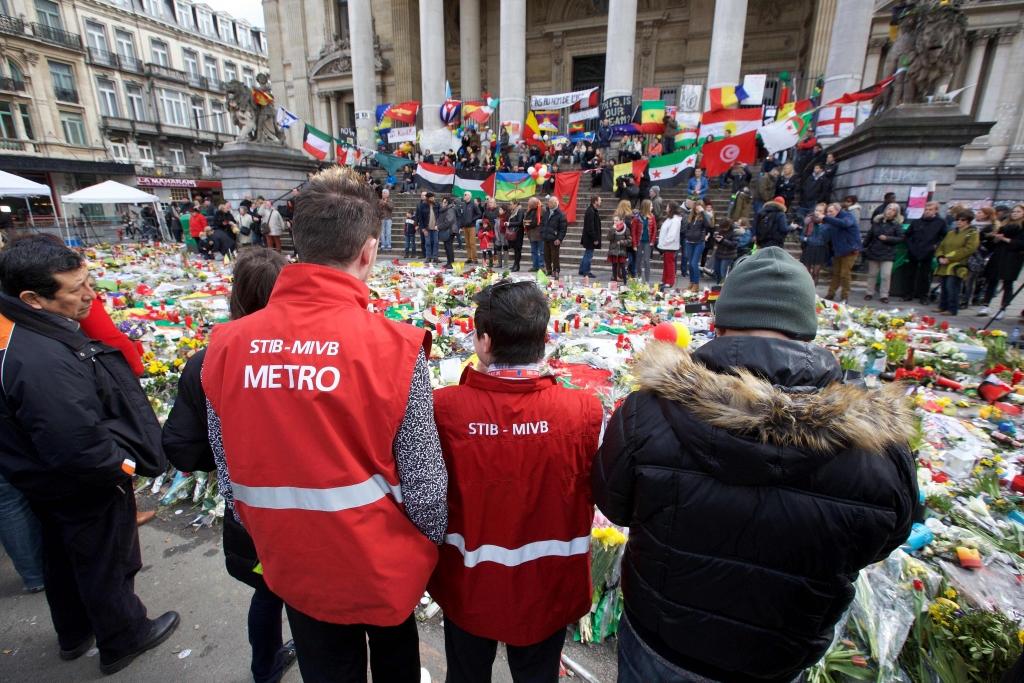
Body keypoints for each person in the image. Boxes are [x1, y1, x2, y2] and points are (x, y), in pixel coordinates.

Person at [592, 246, 917, 683]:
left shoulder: (646, 412)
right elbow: (884, 538)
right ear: (807, 332)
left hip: (663, 644)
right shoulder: (877, 443)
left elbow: (614, 503)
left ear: (721, 325)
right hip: (777, 659)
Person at [201, 166, 447, 683]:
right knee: (395, 663)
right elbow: (426, 490)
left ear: (297, 243)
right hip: (383, 565)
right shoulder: (396, 348)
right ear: (369, 251)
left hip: (293, 564)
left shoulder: (225, 345)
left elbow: (228, 473)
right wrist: (426, 549)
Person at [0, 235, 179, 675]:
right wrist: (126, 467)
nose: (89, 295)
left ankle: (74, 632)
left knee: (63, 558)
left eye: (89, 281)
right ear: (33, 298)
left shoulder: (30, 335)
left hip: (46, 480)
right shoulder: (42, 359)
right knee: (107, 562)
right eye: (75, 288)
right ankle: (124, 637)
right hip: (81, 483)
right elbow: (77, 443)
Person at [430, 281, 602, 683]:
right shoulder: (583, 411)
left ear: (485, 341)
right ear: (544, 340)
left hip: (469, 585)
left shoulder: (445, 410)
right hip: (549, 586)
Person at [162, 248, 297, 683]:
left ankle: (265, 669)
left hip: (247, 511)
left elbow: (180, 446)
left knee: (266, 590)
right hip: (311, 508)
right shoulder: (310, 356)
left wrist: (225, 459)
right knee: (307, 594)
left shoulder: (208, 360)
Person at [977, 204, 1024, 319]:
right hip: (999, 254)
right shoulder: (1004, 224)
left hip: (1013, 257)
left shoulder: (1022, 227)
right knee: (991, 279)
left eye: (1018, 211)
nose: (1015, 213)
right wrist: (996, 239)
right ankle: (985, 305)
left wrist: (1006, 239)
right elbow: (993, 242)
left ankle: (1003, 308)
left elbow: (1021, 244)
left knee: (1007, 282)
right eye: (1014, 211)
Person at [932, 210, 980, 317]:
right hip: (944, 263)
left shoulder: (972, 233)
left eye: (963, 220)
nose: (959, 222)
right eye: (958, 219)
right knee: (944, 285)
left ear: (968, 221)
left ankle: (952, 308)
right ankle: (942, 306)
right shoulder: (951, 233)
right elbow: (941, 246)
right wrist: (940, 256)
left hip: (958, 264)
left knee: (952, 286)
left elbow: (969, 249)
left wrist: (950, 258)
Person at [903, 201, 947, 305]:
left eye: (930, 210)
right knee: (911, 274)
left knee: (925, 276)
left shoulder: (940, 222)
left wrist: (936, 245)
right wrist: (910, 246)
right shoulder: (917, 222)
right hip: (914, 251)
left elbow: (945, 236)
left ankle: (924, 296)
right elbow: (906, 235)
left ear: (936, 211)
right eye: (926, 209)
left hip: (928, 251)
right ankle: (908, 294)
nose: (927, 212)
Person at [862, 203, 905, 304]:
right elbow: (869, 235)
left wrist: (887, 238)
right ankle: (869, 292)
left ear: (896, 213)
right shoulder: (877, 222)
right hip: (874, 250)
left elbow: (901, 238)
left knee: (885, 275)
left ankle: (884, 295)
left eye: (893, 210)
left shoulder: (896, 224)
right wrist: (863, 247)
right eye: (889, 209)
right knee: (872, 274)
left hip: (888, 252)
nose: (890, 211)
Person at [823, 202, 861, 304]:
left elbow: (845, 224)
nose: (829, 213)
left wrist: (826, 218)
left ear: (838, 210)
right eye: (827, 212)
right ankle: (831, 293)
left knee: (845, 274)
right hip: (839, 250)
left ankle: (845, 296)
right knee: (836, 273)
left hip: (850, 249)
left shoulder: (848, 216)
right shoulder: (833, 220)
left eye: (831, 211)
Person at [682, 200, 710, 292]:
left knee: (694, 263)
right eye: (696, 208)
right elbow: (687, 227)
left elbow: (708, 224)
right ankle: (691, 283)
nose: (697, 210)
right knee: (690, 264)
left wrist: (702, 211)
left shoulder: (704, 217)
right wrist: (687, 235)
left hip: (699, 242)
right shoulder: (692, 216)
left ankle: (696, 284)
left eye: (699, 208)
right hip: (690, 241)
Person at [800, 203, 831, 286]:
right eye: (816, 210)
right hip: (809, 247)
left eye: (820, 211)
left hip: (820, 249)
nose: (818, 212)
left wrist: (822, 225)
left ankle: (813, 290)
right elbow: (802, 235)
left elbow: (827, 237)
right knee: (806, 272)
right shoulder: (808, 221)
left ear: (824, 212)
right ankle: (807, 288)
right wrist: (806, 239)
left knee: (815, 272)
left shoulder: (827, 224)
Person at [630, 199, 658, 284]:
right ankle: (639, 278)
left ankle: (647, 280)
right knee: (638, 261)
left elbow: (654, 229)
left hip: (648, 242)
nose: (652, 207)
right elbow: (633, 231)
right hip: (639, 241)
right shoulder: (637, 218)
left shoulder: (652, 216)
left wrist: (652, 241)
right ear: (646, 207)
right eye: (651, 206)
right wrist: (634, 244)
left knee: (646, 260)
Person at [657, 202, 682, 289]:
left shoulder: (675, 220)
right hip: (666, 245)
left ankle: (670, 281)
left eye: (667, 206)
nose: (666, 208)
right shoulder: (670, 219)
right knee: (666, 264)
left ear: (671, 208)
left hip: (670, 245)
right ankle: (664, 279)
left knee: (670, 264)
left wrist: (664, 242)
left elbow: (671, 234)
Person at [541, 197, 567, 278]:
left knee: (555, 255)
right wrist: (542, 232)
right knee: (546, 254)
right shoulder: (546, 212)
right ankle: (548, 269)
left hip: (555, 238)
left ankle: (556, 270)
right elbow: (542, 223)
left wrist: (559, 239)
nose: (549, 203)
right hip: (546, 237)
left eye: (551, 202)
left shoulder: (560, 214)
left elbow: (563, 228)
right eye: (549, 202)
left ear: (556, 203)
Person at [711, 217, 739, 284]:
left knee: (723, 273)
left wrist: (723, 240)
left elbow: (734, 244)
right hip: (719, 254)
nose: (723, 229)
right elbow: (719, 241)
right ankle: (718, 286)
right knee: (717, 271)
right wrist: (717, 239)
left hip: (728, 255)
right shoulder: (721, 231)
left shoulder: (735, 232)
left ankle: (723, 288)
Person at [580, 195, 602, 277]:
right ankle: (586, 271)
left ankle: (582, 270)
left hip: (589, 237)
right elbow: (590, 227)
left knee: (587, 254)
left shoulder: (593, 210)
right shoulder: (591, 211)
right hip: (590, 238)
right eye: (599, 200)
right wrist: (595, 238)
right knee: (589, 255)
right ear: (595, 201)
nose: (600, 202)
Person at [607, 215, 630, 284]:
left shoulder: (625, 229)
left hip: (622, 249)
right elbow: (609, 238)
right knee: (614, 265)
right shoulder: (612, 229)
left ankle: (625, 282)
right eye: (614, 220)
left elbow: (629, 239)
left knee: (622, 266)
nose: (615, 222)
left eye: (617, 220)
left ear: (621, 221)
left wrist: (622, 242)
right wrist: (612, 229)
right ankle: (615, 282)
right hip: (613, 249)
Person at [524, 197, 545, 272]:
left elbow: (544, 222)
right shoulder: (530, 209)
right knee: (533, 251)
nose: (530, 207)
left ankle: (542, 266)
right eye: (529, 205)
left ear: (536, 204)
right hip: (531, 234)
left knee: (542, 251)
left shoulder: (543, 209)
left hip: (539, 234)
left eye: (531, 206)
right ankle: (535, 266)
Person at [459, 192, 481, 264]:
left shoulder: (473, 205)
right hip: (465, 226)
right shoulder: (463, 205)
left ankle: (475, 258)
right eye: (464, 194)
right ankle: (469, 258)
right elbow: (461, 216)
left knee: (472, 243)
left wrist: (472, 219)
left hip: (472, 226)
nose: (464, 196)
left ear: (469, 196)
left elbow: (479, 214)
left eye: (465, 195)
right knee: (467, 243)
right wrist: (461, 226)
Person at [437, 197, 458, 269]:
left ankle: (451, 263)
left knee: (449, 247)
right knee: (446, 247)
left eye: (445, 202)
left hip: (450, 231)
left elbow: (448, 221)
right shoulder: (445, 210)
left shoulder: (450, 210)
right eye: (443, 202)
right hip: (446, 230)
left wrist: (439, 227)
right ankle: (448, 262)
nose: (443, 203)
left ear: (448, 203)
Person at [505, 199, 525, 272]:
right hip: (513, 232)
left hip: (518, 233)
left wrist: (510, 224)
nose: (510, 206)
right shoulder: (513, 212)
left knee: (518, 249)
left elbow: (519, 222)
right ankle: (515, 264)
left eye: (511, 204)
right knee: (515, 250)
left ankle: (517, 265)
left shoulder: (520, 211)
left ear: (516, 204)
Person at [420, 192, 440, 264]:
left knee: (436, 242)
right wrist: (423, 229)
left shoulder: (437, 205)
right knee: (428, 242)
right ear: (428, 198)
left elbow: (440, 215)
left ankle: (435, 257)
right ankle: (428, 257)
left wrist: (438, 225)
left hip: (435, 227)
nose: (433, 199)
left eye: (433, 197)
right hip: (427, 227)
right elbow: (421, 218)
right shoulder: (423, 206)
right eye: (431, 198)